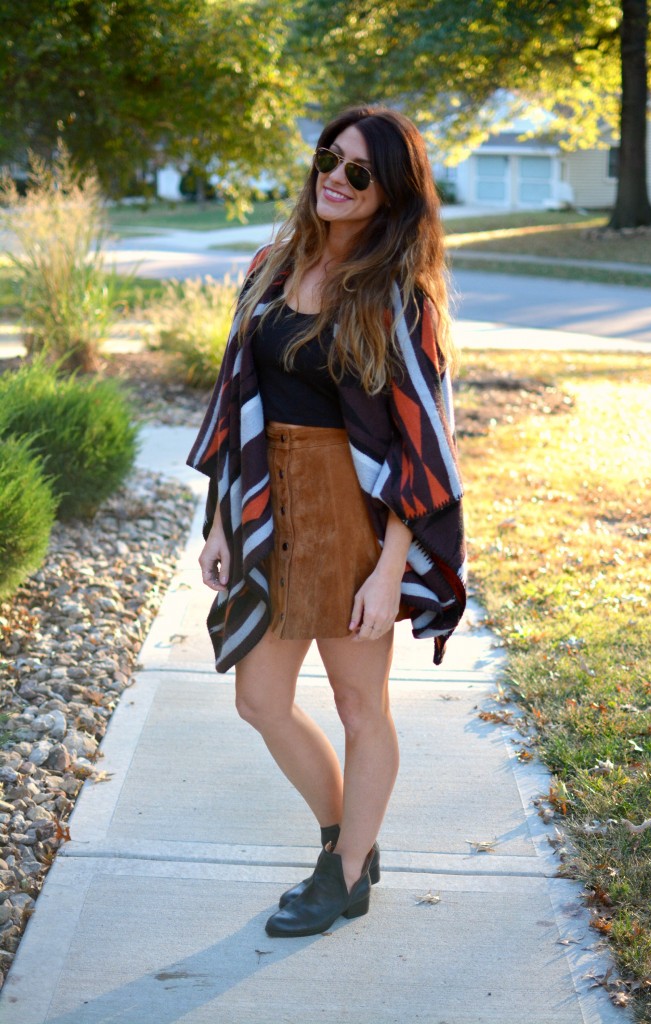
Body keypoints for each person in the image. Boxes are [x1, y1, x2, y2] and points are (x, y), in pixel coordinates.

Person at [187, 106, 466, 938]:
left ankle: (344, 875)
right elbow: (237, 399)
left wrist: (390, 570)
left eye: (358, 173)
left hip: (353, 517)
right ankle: (347, 839)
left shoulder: (395, 296)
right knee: (261, 701)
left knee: (358, 705)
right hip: (269, 506)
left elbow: (422, 442)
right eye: (327, 159)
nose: (334, 181)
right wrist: (220, 523)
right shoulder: (271, 266)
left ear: (390, 196)